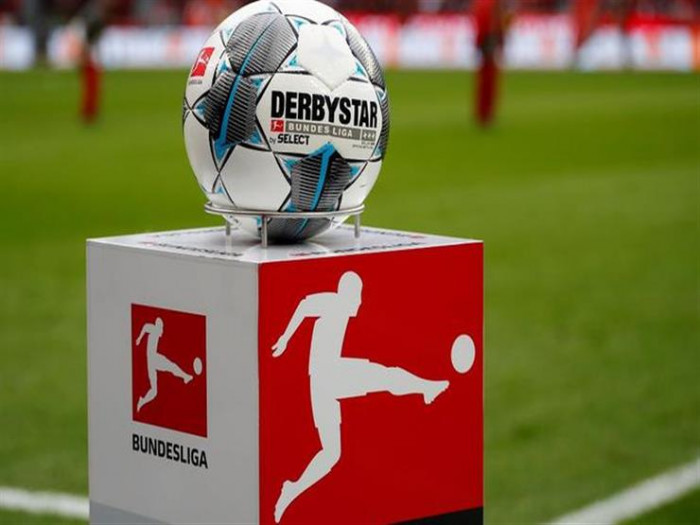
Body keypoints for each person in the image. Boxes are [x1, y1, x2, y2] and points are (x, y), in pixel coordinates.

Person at [272, 271, 449, 522]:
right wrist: (285, 338)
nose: (360, 302)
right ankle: (426, 388)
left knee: (332, 453)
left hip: (321, 384)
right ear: (348, 294)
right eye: (358, 295)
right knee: (386, 376)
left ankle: (291, 490)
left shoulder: (340, 308)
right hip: (331, 372)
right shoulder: (333, 303)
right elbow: (303, 305)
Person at [135, 317, 193, 412]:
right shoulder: (154, 329)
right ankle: (185, 377)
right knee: (172, 366)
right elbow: (145, 327)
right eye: (161, 327)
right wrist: (139, 338)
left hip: (151, 362)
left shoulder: (156, 331)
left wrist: (140, 338)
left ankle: (141, 401)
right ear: (158, 325)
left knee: (154, 391)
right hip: (154, 358)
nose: (162, 330)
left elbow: (147, 328)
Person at [473, 0, 508, 127]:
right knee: (489, 79)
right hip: (489, 39)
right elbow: (495, 22)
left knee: (485, 79)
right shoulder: (492, 4)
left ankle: (483, 113)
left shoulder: (481, 3)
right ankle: (486, 113)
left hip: (485, 39)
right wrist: (500, 39)